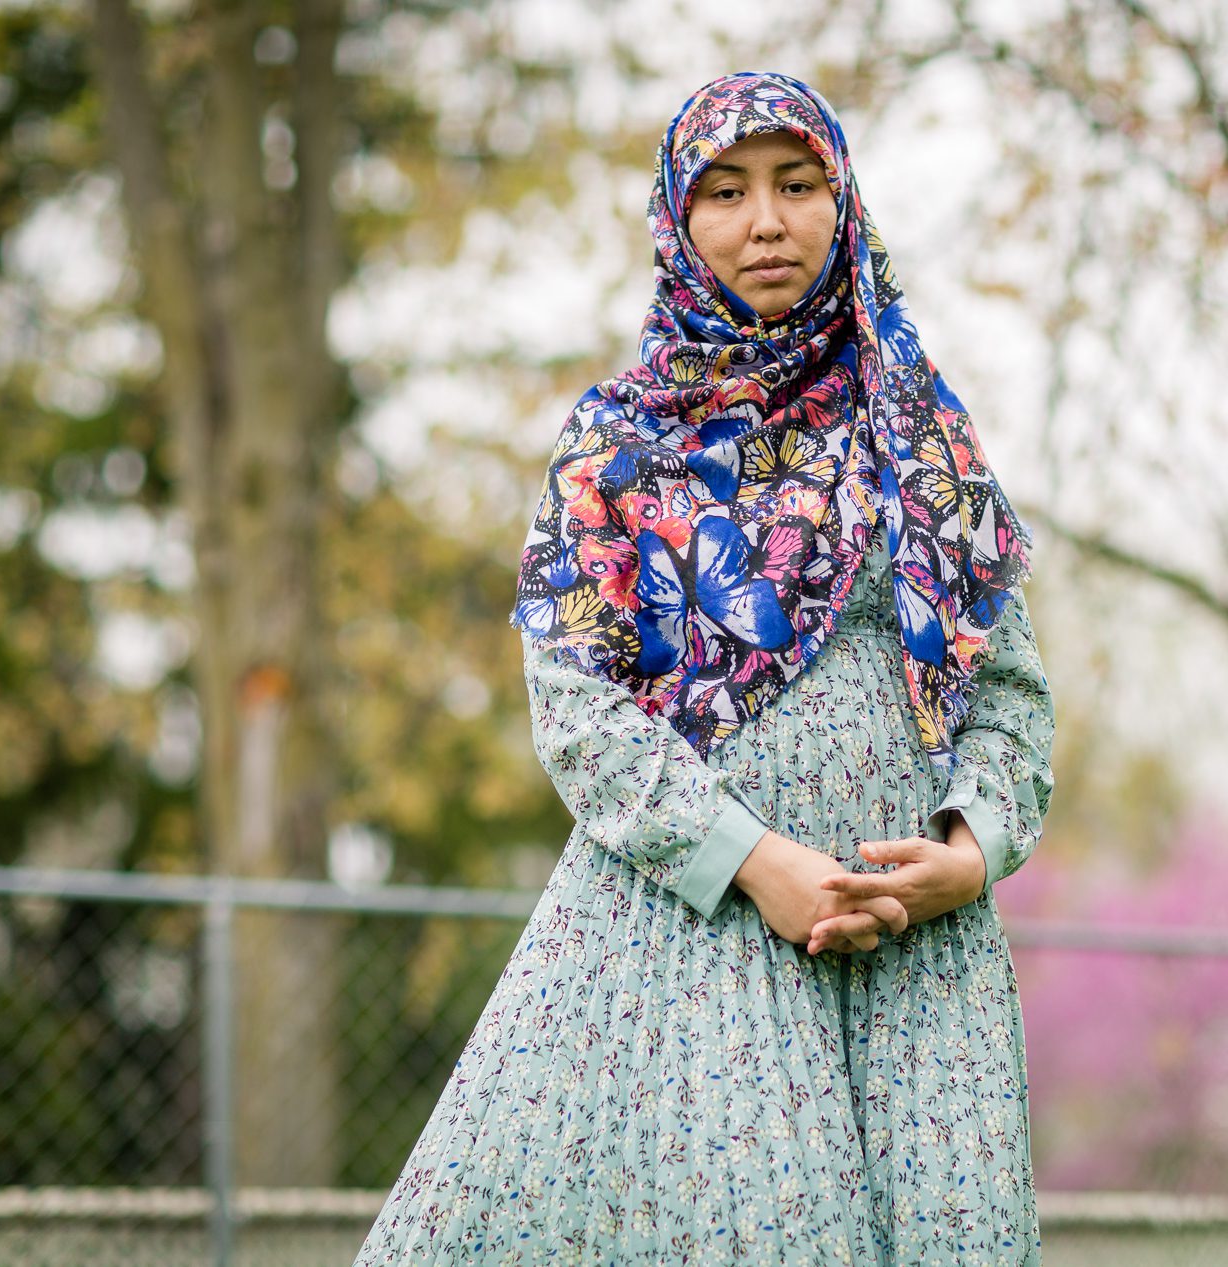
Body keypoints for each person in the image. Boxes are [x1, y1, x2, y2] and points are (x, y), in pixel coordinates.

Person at [354, 70, 1055, 1266]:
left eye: (796, 184)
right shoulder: (621, 445)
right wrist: (758, 863)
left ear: (843, 203)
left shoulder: (923, 430)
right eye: (724, 193)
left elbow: (1008, 700)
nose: (765, 221)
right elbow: (577, 712)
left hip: (920, 958)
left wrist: (968, 853)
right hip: (705, 934)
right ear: (679, 224)